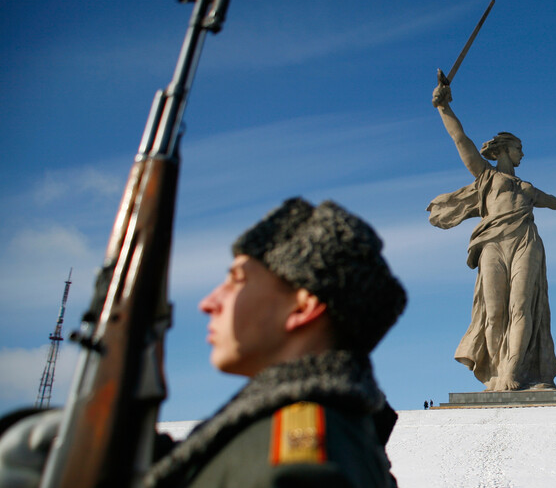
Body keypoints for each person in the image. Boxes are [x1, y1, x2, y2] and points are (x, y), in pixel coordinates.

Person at [0, 197, 407, 488]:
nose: (208, 302)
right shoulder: (334, 437)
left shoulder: (297, 458)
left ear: (303, 306)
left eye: (236, 280)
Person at [427, 72, 556, 391]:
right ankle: (495, 371)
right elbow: (460, 140)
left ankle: (513, 371)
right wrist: (444, 107)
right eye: (519, 148)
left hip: (525, 244)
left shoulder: (527, 187)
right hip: (492, 245)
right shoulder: (487, 177)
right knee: (494, 314)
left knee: (521, 307)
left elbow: (548, 200)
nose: (523, 154)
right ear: (506, 150)